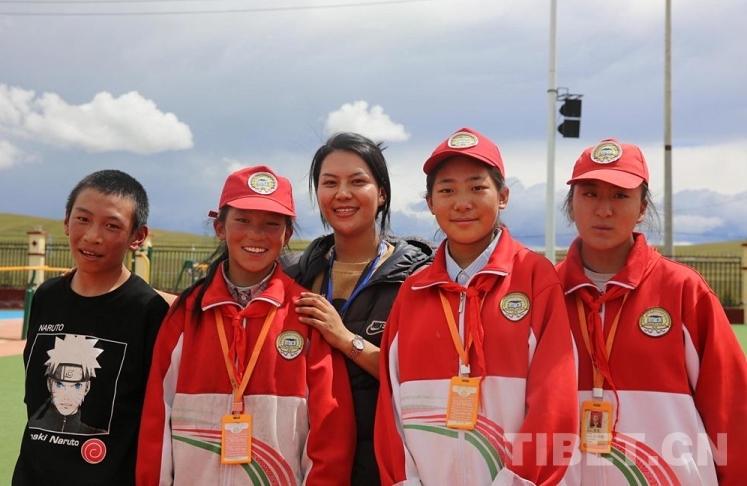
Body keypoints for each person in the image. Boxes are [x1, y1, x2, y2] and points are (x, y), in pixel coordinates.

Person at [374, 127, 578, 485]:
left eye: (477, 187)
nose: (462, 203)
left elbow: (555, 403)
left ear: (503, 196)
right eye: (447, 190)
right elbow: (389, 408)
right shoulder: (413, 291)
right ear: (430, 203)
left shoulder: (535, 278)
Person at [137, 165, 356, 485]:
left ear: (287, 235)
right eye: (242, 220)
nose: (256, 234)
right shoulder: (186, 312)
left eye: (271, 224)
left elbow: (331, 431)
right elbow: (157, 419)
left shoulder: (307, 313)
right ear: (220, 228)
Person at [556, 138, 747, 484]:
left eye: (620, 196)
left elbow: (732, 408)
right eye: (590, 194)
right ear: (571, 205)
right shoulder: (546, 293)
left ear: (642, 208)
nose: (604, 210)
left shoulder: (683, 290)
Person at [281, 132, 434, 485]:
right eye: (329, 183)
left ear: (381, 194)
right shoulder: (294, 274)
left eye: (357, 181)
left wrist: (345, 339)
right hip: (309, 464)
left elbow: (422, 379)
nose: (342, 193)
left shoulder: (417, 278)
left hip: (388, 466)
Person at [12, 169, 170, 486]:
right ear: (66, 221)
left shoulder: (151, 311)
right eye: (83, 219)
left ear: (138, 236)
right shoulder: (46, 296)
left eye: (112, 225)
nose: (92, 236)